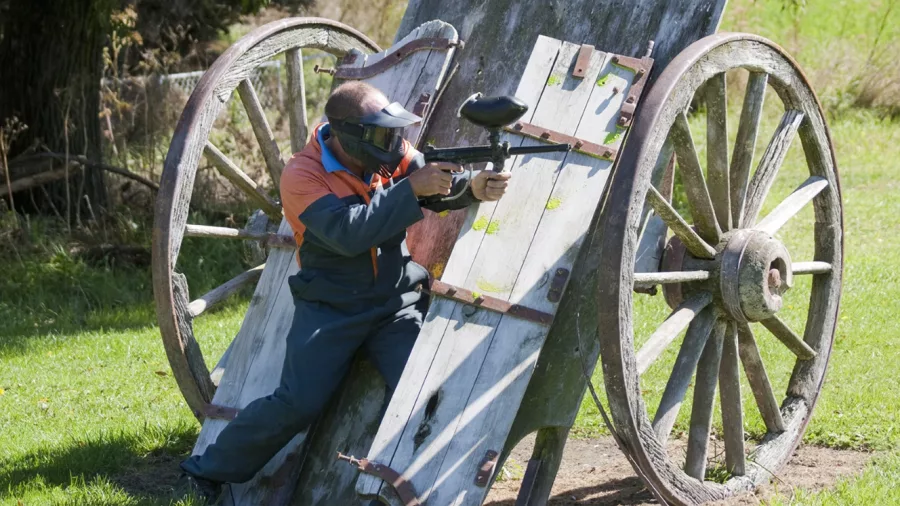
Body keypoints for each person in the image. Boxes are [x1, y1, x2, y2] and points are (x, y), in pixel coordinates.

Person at [177, 81, 511, 502]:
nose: (396, 142)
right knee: (297, 402)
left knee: (420, 385)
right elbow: (348, 232)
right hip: (330, 307)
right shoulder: (302, 174)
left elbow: (434, 185)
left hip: (395, 301)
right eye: (384, 133)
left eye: (395, 133)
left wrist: (471, 187)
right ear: (349, 134)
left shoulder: (389, 151)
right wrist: (411, 188)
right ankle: (204, 471)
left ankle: (431, 487)